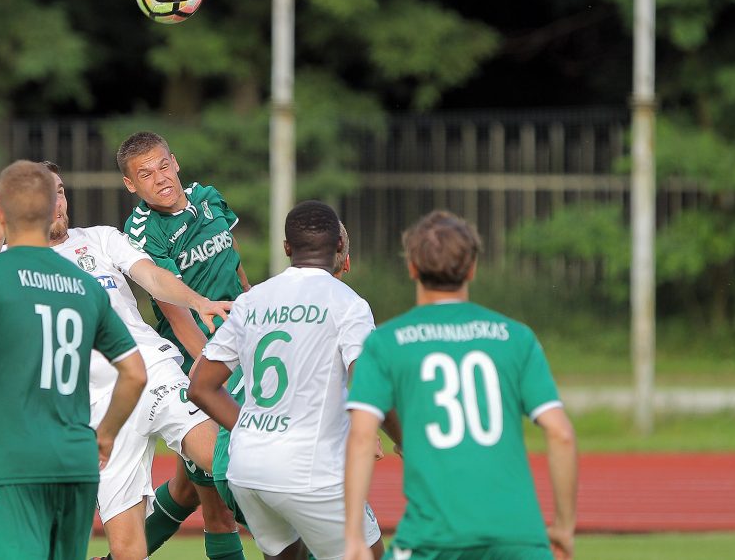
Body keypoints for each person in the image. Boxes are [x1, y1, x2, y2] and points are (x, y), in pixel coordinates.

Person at [0, 161, 234, 560]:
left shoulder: (99, 239)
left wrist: (198, 301)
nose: (57, 202)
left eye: (60, 191)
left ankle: (312, 536)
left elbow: (152, 277)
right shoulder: (12, 263)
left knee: (224, 463)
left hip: (152, 374)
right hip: (95, 411)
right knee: (127, 549)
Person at [344, 211, 578, 560]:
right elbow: (561, 434)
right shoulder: (516, 337)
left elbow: (362, 438)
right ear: (472, 268)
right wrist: (563, 525)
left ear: (411, 267)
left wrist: (352, 536)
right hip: (518, 536)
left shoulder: (386, 343)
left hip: (432, 536)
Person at [0, 160, 147, 560]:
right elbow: (135, 373)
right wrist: (105, 434)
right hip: (77, 460)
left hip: (18, 458)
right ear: (51, 208)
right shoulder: (84, 285)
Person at [189, 200, 384, 560]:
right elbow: (368, 382)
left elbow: (199, 386)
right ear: (340, 247)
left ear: (286, 248)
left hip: (246, 466)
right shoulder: (348, 303)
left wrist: (249, 427)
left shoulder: (253, 300)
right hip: (309, 469)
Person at [118, 131, 249, 560]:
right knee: (220, 503)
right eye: (144, 174)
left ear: (175, 162)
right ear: (131, 185)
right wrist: (214, 374)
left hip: (239, 350)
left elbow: (236, 267)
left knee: (185, 491)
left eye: (162, 166)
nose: (159, 178)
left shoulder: (210, 198)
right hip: (194, 368)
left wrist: (256, 325)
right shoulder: (141, 231)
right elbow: (176, 312)